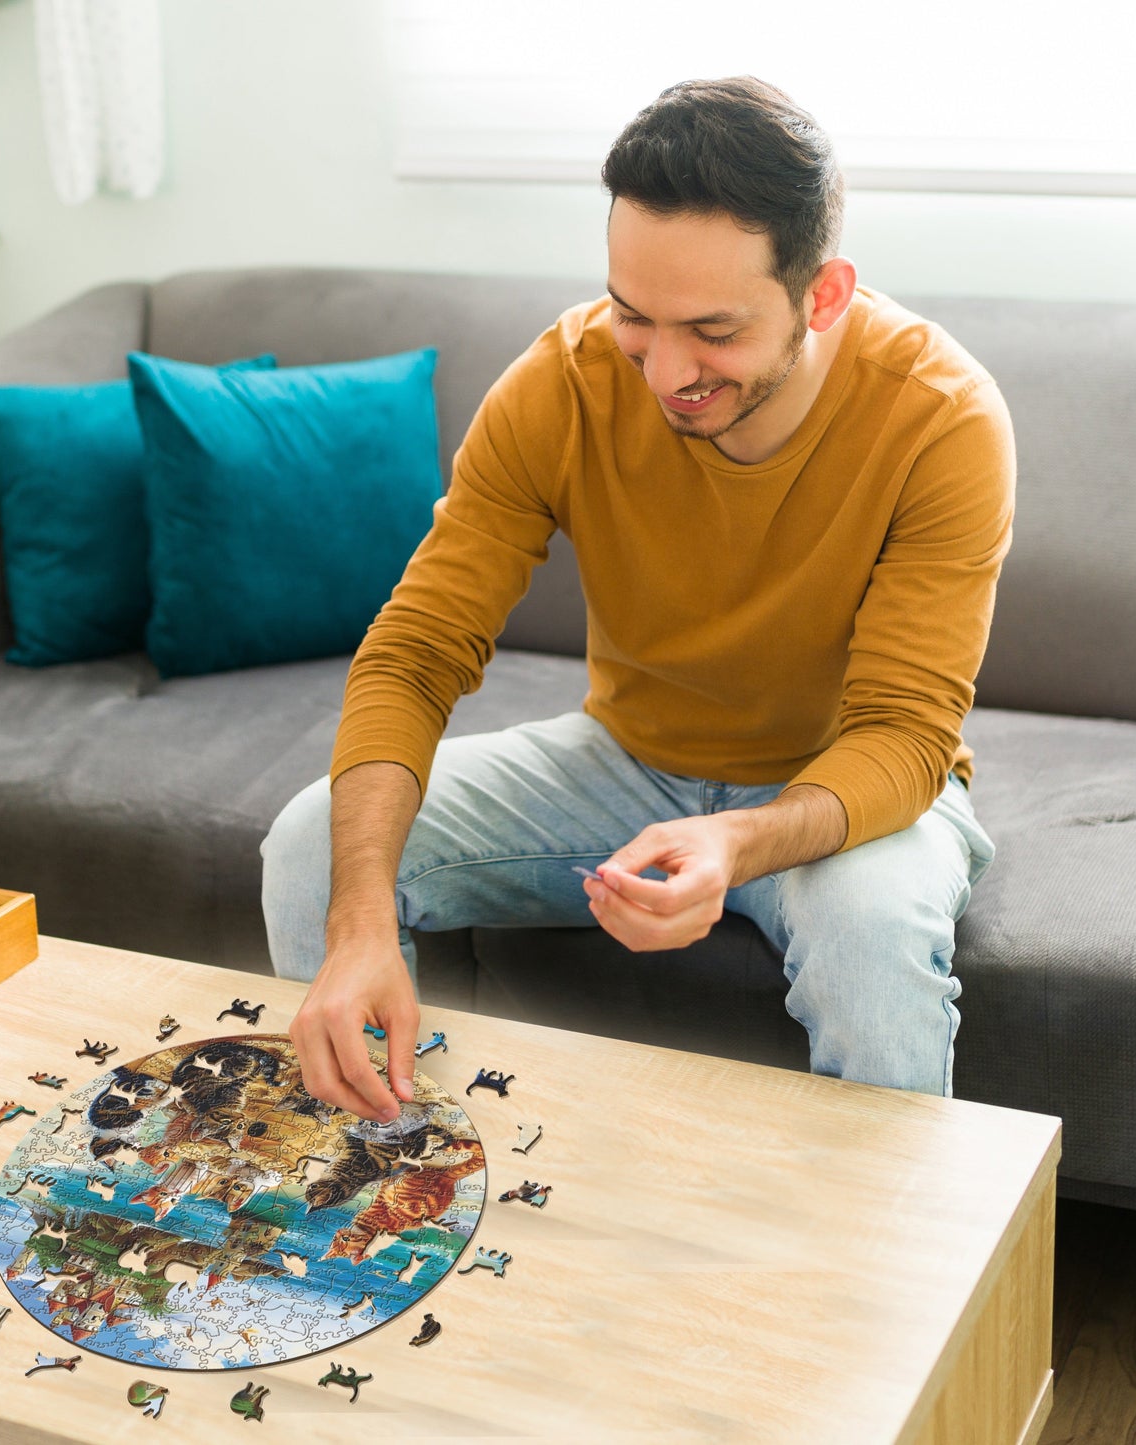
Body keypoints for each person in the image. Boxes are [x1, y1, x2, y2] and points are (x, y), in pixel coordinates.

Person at [261, 76, 1014, 1123]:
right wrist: (356, 927)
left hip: (843, 788)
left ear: (822, 294)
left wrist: (736, 841)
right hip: (624, 761)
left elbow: (901, 735)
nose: (664, 371)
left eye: (710, 328)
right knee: (312, 844)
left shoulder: (940, 418)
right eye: (632, 315)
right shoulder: (559, 382)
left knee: (869, 942)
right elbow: (417, 649)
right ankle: (377, 1190)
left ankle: (881, 1277)